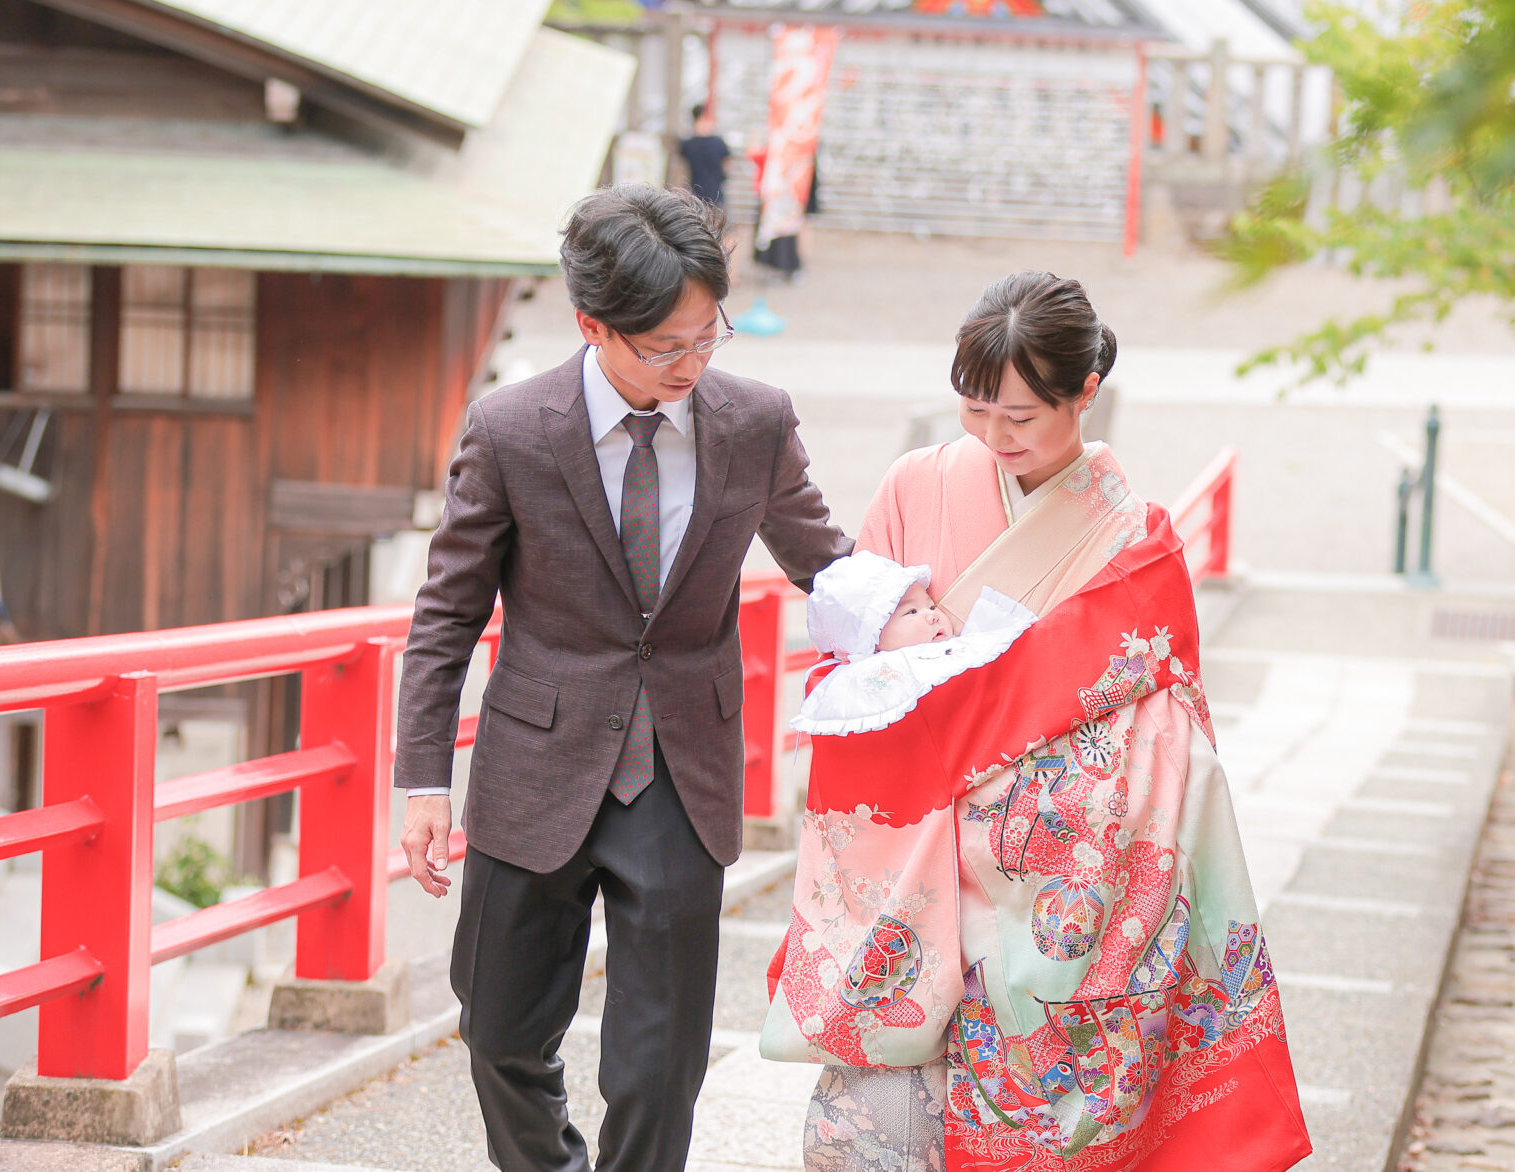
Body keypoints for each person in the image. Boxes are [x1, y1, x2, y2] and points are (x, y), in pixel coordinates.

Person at [758, 272, 1311, 1172]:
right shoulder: (916, 485)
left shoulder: (1134, 541)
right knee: (864, 1143)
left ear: (1085, 393)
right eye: (977, 411)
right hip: (911, 869)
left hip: (1058, 884)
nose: (993, 436)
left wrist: (1034, 804)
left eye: (1021, 416)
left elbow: (1162, 743)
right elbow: (851, 661)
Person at [393, 184, 853, 1172]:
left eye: (707, 336)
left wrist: (918, 616)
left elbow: (830, 564)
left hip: (682, 772)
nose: (691, 365)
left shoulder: (753, 421)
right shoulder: (511, 429)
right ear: (591, 324)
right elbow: (446, 613)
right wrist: (422, 781)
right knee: (501, 1035)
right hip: (534, 764)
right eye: (664, 347)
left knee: (658, 1065)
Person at [789, 550, 1034, 737]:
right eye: (911, 612)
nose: (932, 615)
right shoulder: (876, 674)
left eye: (931, 605)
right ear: (871, 639)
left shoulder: (948, 650)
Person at [677, 104, 733, 210]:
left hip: (693, 195)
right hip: (715, 195)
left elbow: (682, 172)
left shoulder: (687, 144)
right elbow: (727, 166)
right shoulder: (718, 142)